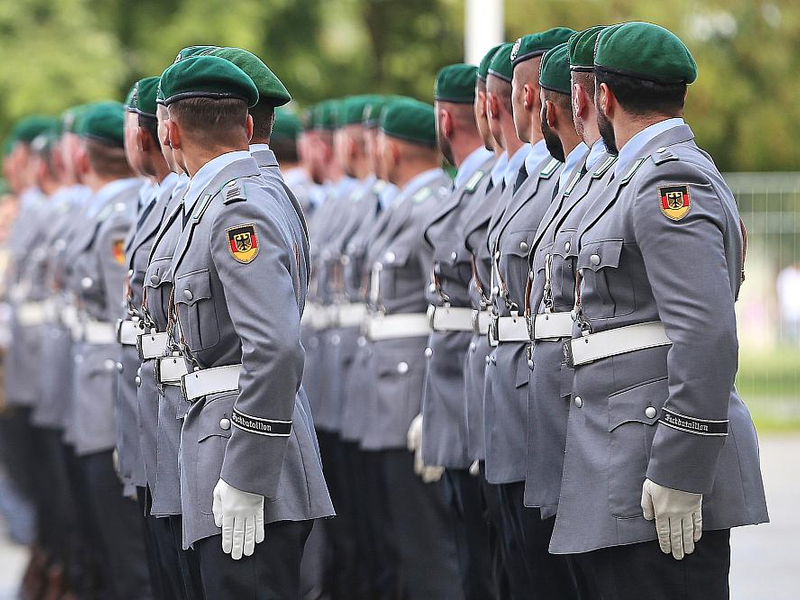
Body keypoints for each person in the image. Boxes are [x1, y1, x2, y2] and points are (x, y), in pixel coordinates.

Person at [550, 22, 768, 599]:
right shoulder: (639, 175)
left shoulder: (666, 179)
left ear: (604, 97)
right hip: (622, 459)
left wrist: (682, 469)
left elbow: (706, 333)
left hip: (650, 465)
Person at [157, 54, 333, 597]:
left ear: (168, 130)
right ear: (248, 126)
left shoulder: (237, 209)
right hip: (220, 449)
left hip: (244, 460)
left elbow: (276, 347)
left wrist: (245, 474)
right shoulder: (220, 200)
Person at [522, 26, 616, 599]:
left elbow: (701, 329)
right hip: (570, 420)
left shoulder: (644, 180)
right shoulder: (579, 181)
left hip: (611, 430)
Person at [359, 96, 462, 599]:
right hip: (386, 401)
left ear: (394, 149)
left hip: (411, 404)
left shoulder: (432, 207)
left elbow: (443, 315)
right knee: (402, 543)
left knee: (429, 548)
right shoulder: (402, 205)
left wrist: (433, 409)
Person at [63, 100, 153, 600]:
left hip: (111, 391)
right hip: (95, 385)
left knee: (129, 555)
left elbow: (130, 319)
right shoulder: (107, 210)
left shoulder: (120, 216)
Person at [418, 62, 495, 600]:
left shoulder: (500, 186)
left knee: (490, 566)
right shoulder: (475, 188)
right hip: (460, 397)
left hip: (486, 403)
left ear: (445, 121)